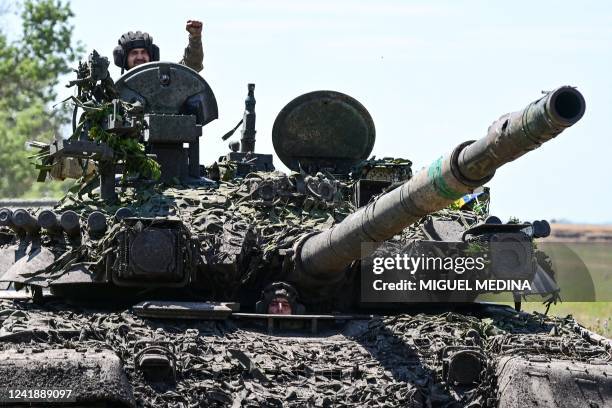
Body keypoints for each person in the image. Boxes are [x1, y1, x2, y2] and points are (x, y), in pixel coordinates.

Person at [112, 20, 204, 73]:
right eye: (134, 53)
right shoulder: (116, 93)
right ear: (124, 58)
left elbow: (191, 66)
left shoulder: (167, 82)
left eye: (144, 52)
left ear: (152, 55)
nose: (140, 57)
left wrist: (195, 38)